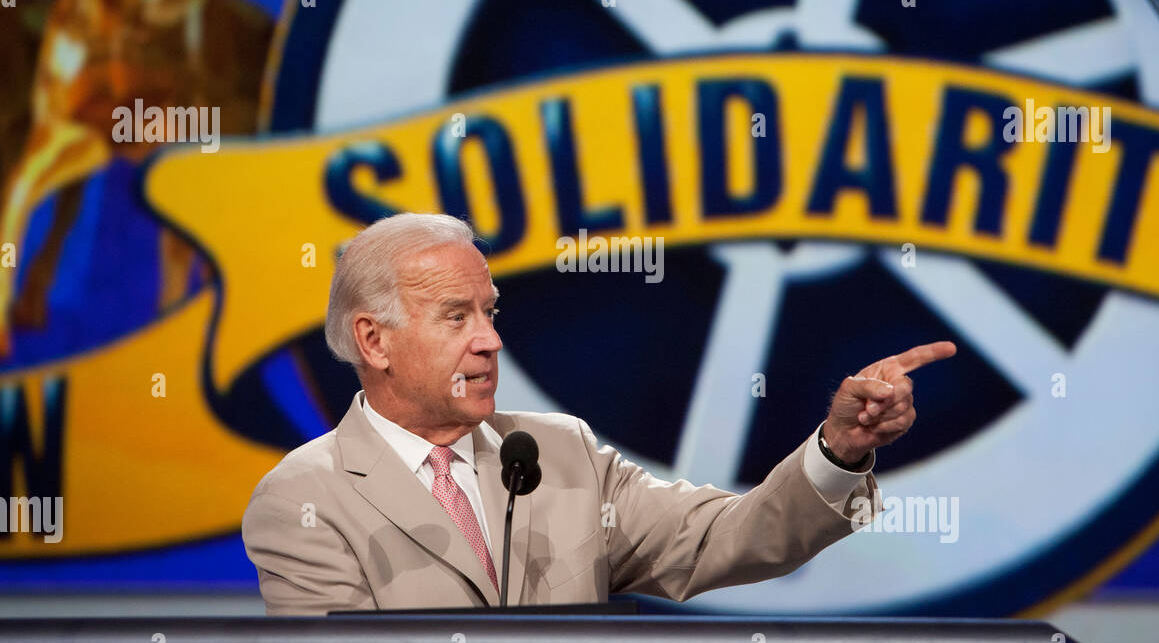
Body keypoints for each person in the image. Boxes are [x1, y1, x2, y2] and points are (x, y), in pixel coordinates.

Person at [241, 213, 956, 614]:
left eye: (490, 313)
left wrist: (837, 450)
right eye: (455, 317)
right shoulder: (306, 496)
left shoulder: (559, 454)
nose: (490, 340)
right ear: (375, 340)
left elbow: (730, 538)